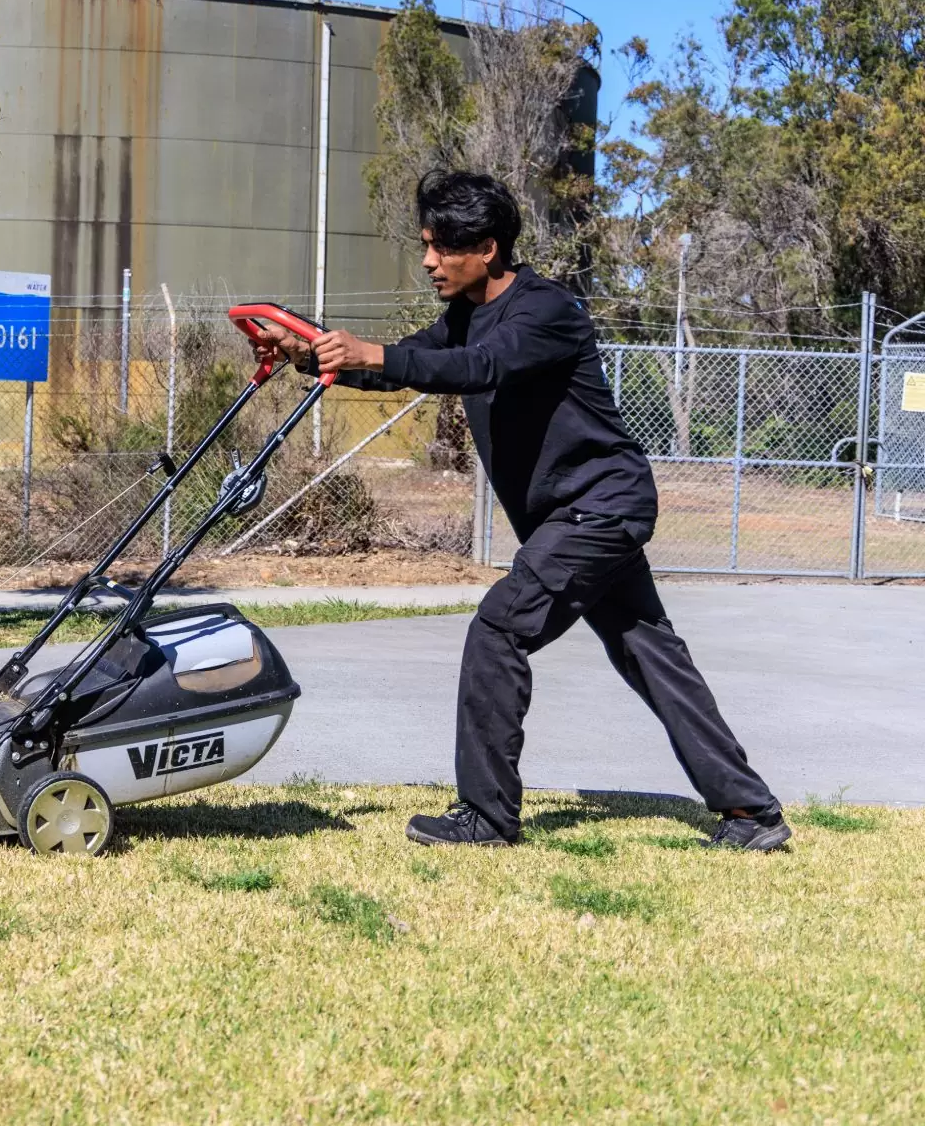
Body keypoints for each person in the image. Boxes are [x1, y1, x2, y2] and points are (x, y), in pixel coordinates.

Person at [254, 169, 790, 852]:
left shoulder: (547, 311)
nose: (428, 261)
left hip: (599, 509)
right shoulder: (465, 315)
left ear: (487, 248)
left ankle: (487, 815)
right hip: (575, 518)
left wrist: (371, 350)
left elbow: (481, 367)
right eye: (425, 245)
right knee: (649, 653)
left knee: (498, 631)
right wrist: (314, 356)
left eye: (441, 248)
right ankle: (751, 812)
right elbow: (414, 359)